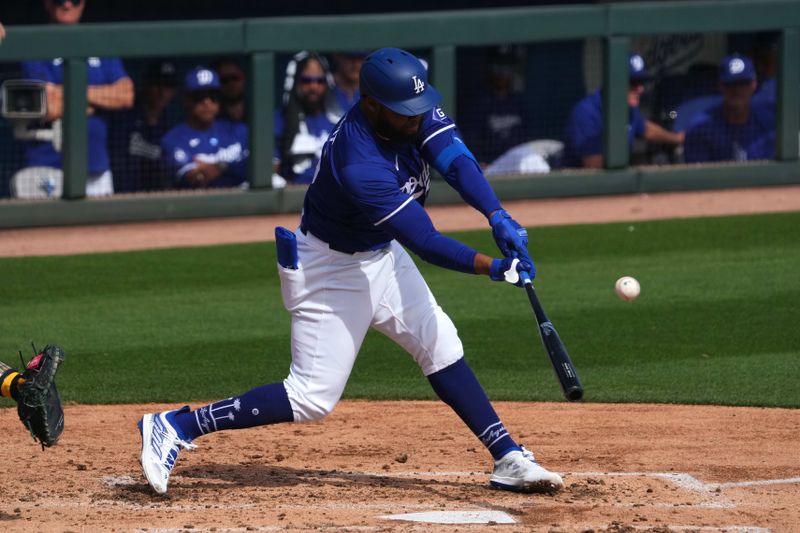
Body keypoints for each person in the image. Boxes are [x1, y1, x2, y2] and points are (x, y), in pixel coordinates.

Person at [137, 47, 565, 497]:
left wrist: (497, 215)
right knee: (311, 397)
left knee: (439, 343)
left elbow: (455, 160)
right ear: (373, 104)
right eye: (405, 114)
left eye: (420, 110)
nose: (416, 119)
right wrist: (495, 268)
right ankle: (176, 424)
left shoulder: (409, 107)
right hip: (330, 267)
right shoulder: (359, 161)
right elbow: (426, 242)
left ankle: (507, 457)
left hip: (379, 254)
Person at [12, 0, 134, 198]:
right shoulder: (35, 46)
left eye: (74, 0)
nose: (67, 5)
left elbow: (125, 95)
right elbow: (48, 106)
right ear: (47, 3)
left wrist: (69, 93)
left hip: (96, 167)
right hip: (47, 166)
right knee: (47, 228)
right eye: (60, 0)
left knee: (103, 229)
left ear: (83, 4)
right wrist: (97, 99)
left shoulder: (99, 43)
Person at [562, 52, 684, 168]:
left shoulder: (627, 106)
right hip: (579, 184)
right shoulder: (587, 112)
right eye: (633, 83)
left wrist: (676, 138)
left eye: (642, 82)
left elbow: (646, 128)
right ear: (614, 81)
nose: (640, 89)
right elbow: (594, 166)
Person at [160, 66, 249, 189]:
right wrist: (239, 166)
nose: (207, 102)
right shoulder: (173, 139)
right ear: (186, 100)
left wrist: (221, 166)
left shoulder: (238, 130)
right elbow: (197, 179)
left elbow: (270, 165)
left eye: (213, 96)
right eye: (199, 96)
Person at [683, 54, 776, 163]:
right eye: (731, 84)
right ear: (721, 86)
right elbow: (698, 176)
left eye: (743, 83)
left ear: (753, 85)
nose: (737, 90)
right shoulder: (701, 127)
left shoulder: (769, 123)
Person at [108, 59, 179, 192]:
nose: (162, 92)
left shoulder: (171, 124)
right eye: (157, 84)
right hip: (124, 194)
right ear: (145, 84)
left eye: (168, 86)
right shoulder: (124, 118)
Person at [274, 51, 341, 185]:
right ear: (295, 82)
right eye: (306, 80)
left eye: (319, 81)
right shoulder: (279, 121)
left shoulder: (339, 121)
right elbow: (271, 172)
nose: (313, 86)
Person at [460, 45, 530, 167]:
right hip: (491, 166)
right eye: (498, 68)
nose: (502, 74)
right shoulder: (479, 104)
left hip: (518, 162)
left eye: (506, 69)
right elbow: (471, 139)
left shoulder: (518, 105)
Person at [213, 57, 246, 123]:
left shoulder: (263, 112)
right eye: (224, 80)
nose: (231, 83)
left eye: (235, 77)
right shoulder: (211, 118)